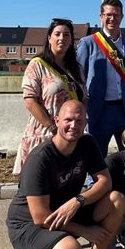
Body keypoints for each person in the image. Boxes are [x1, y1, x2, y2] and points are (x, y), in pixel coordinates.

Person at [6, 100, 125, 249]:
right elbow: (41, 216)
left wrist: (79, 200)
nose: (73, 126)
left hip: (65, 210)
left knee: (116, 200)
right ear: (57, 120)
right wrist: (85, 231)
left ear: (85, 121)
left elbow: (105, 182)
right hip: (29, 224)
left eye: (79, 121)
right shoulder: (40, 159)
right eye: (68, 120)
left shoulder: (86, 143)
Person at [13, 18, 86, 174]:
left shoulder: (76, 68)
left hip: (69, 137)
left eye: (66, 35)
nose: (62, 38)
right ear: (49, 38)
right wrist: (53, 127)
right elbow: (30, 101)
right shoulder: (37, 64)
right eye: (57, 34)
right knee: (37, 188)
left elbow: (83, 99)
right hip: (44, 134)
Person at [76, 0, 125, 157]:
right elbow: (78, 78)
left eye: (116, 15)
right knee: (96, 156)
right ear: (101, 17)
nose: (112, 19)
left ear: (122, 17)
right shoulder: (88, 43)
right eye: (108, 15)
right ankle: (95, 183)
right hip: (99, 110)